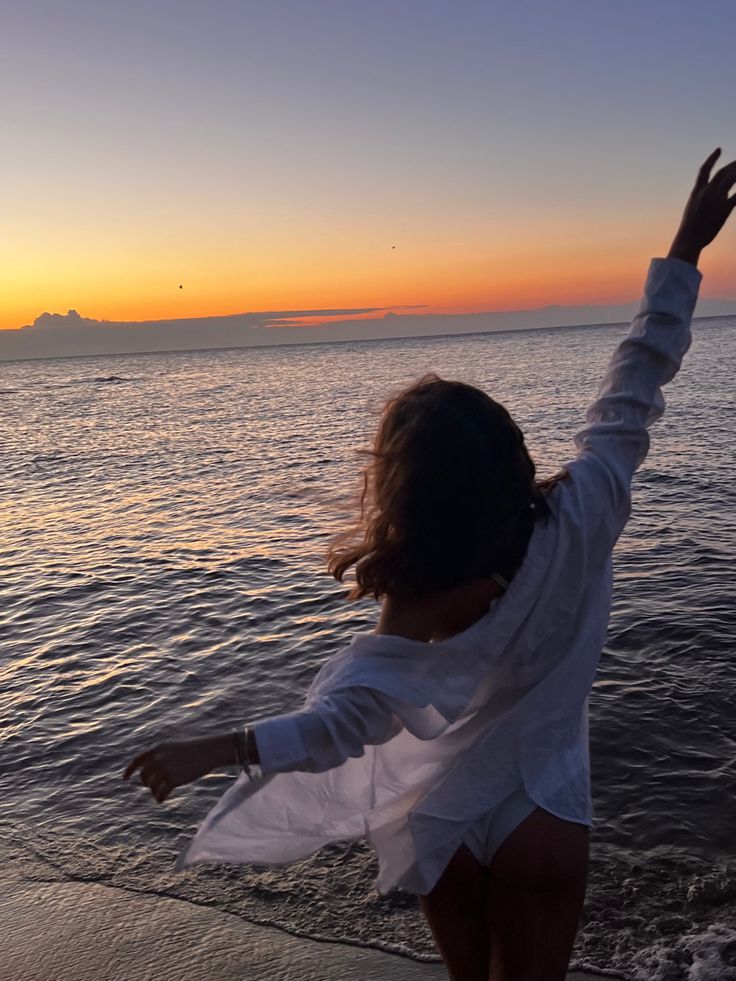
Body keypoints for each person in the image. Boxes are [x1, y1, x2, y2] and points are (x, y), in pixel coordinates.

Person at [124, 149, 736, 981]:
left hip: (439, 816)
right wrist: (685, 249)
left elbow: (345, 725)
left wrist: (215, 748)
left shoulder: (415, 598)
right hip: (542, 811)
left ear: (404, 495)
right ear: (512, 455)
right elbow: (636, 379)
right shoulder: (587, 510)